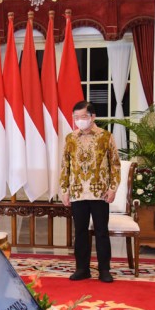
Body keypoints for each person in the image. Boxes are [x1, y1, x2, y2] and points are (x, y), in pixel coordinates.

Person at [60, 101, 121, 283]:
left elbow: (115, 165)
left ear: (93, 117)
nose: (79, 121)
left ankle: (104, 269)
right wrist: (64, 190)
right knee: (79, 232)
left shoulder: (105, 137)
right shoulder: (70, 138)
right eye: (76, 117)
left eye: (83, 117)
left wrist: (113, 188)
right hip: (78, 192)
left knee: (101, 231)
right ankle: (82, 268)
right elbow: (65, 166)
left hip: (99, 192)